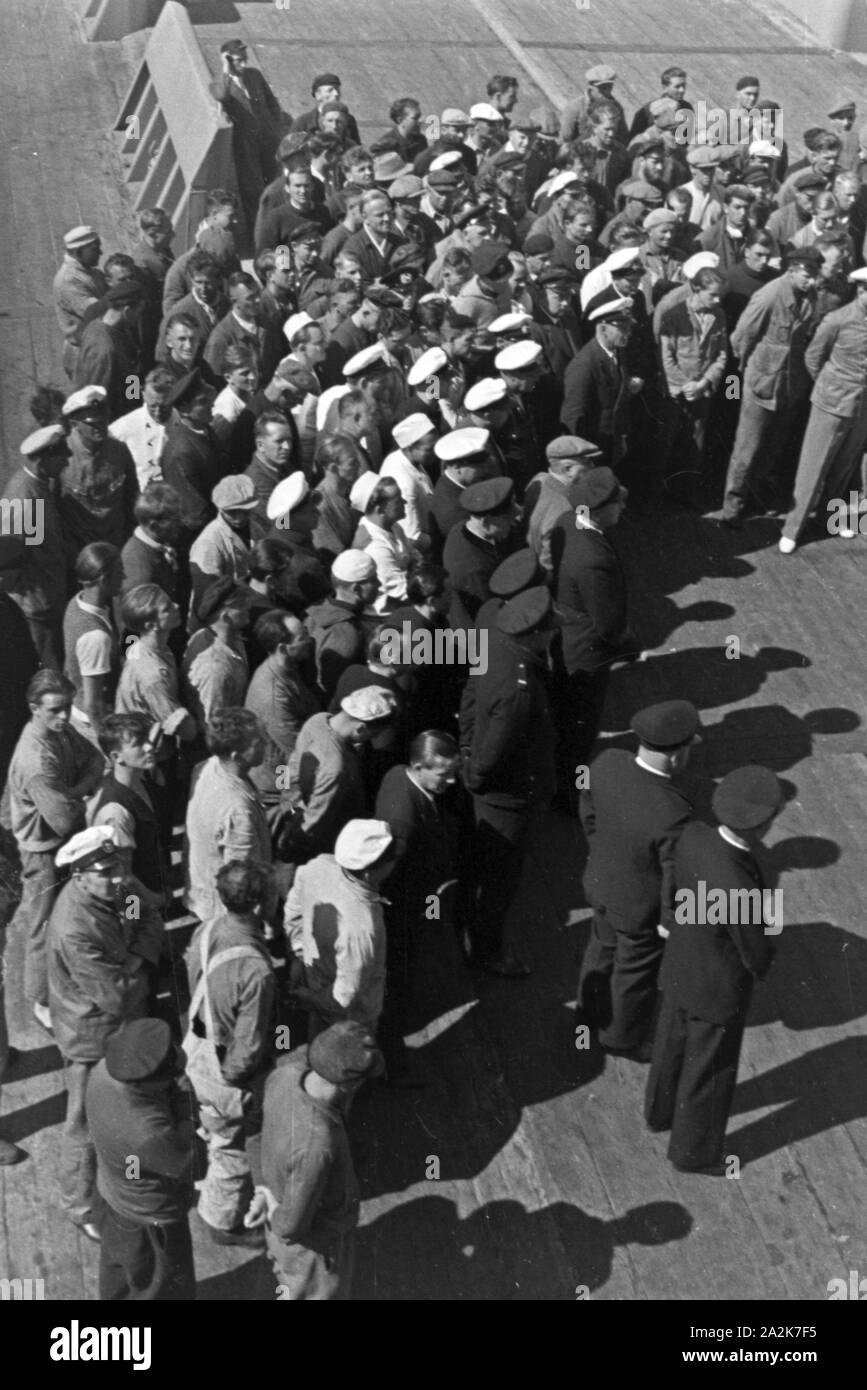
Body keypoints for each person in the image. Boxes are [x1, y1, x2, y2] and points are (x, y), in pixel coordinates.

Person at [645, 766, 782, 1175]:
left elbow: (671, 875)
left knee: (670, 1045)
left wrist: (670, 916)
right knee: (709, 1071)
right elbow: (755, 949)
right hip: (717, 988)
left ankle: (658, 1114)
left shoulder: (695, 835)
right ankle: (694, 1152)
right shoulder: (738, 883)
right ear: (763, 824)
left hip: (681, 965)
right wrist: (766, 955)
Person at [47, 825, 163, 1238]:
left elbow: (145, 916)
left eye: (117, 868)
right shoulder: (76, 928)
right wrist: (140, 968)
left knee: (120, 1114)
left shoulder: (115, 894)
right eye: (105, 872)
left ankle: (120, 1179)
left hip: (121, 1024)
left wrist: (135, 958)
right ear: (79, 876)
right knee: (84, 1123)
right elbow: (115, 996)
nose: (118, 879)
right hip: (92, 1038)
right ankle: (80, 1206)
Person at [577, 701, 699, 1060]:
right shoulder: (673, 811)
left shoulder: (608, 762)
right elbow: (674, 876)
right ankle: (620, 1039)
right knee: (635, 973)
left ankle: (587, 1016)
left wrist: (601, 850)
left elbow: (589, 811)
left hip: (599, 881)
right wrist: (667, 921)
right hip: (638, 908)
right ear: (676, 756)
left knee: (600, 949)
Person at [246, 1020, 384, 1300]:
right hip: (314, 1250)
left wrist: (262, 1189)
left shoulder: (285, 1075)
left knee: (287, 1281)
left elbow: (254, 1133)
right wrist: (273, 1206)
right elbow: (290, 1227)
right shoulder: (317, 1145)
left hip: (283, 1216)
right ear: (351, 1083)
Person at [459, 587, 558, 977]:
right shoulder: (519, 693)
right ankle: (487, 952)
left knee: (478, 865)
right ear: (536, 634)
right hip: (507, 800)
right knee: (500, 880)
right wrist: (475, 773)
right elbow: (494, 752)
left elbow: (470, 694)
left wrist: (466, 744)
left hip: (490, 791)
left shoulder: (496, 647)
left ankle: (465, 918)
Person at [184, 860, 277, 1247]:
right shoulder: (257, 971)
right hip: (224, 1073)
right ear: (258, 906)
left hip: (196, 1047)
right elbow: (248, 1044)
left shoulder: (209, 930)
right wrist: (241, 1088)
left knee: (211, 1131)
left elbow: (194, 977)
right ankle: (221, 1223)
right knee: (232, 1150)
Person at [8, 670, 105, 1032]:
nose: (65, 716)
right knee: (43, 925)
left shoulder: (59, 732)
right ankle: (40, 1000)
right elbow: (63, 819)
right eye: (55, 710)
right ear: (35, 708)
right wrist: (83, 792)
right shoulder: (35, 760)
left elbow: (94, 758)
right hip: (43, 851)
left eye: (67, 707)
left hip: (61, 839)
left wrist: (76, 790)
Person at [374, 731, 462, 1082]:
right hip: (405, 908)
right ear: (419, 766)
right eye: (444, 774)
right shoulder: (404, 821)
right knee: (400, 975)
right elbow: (395, 876)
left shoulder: (399, 776)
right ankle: (393, 1062)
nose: (452, 781)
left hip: (415, 897)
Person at [87, 1018, 197, 1299]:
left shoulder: (103, 1071)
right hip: (149, 1222)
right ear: (147, 1083)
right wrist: (187, 1110)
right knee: (159, 1285)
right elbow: (186, 1163)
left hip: (111, 1198)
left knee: (118, 1273)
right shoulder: (147, 1133)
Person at [713, 247, 822, 526]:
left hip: (790, 387)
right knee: (747, 451)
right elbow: (740, 338)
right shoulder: (771, 295)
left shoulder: (808, 296)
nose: (812, 280)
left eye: (814, 274)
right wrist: (752, 372)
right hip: (761, 384)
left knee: (772, 449)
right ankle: (732, 508)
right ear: (792, 268)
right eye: (807, 274)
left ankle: (757, 498)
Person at [550, 468, 639, 799]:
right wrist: (631, 646)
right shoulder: (593, 558)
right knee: (580, 729)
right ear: (600, 510)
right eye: (618, 503)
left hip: (567, 638)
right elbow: (608, 624)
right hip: (587, 652)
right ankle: (569, 796)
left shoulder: (565, 521)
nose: (623, 508)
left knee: (567, 721)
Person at [779, 266, 867, 553]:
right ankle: (793, 528)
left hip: (862, 406)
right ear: (861, 290)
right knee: (812, 468)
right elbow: (813, 357)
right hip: (831, 403)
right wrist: (830, 385)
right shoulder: (837, 320)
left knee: (845, 465)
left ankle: (831, 517)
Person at [284, 820, 395, 1037]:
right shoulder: (362, 927)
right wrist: (307, 999)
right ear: (369, 874)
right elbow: (343, 998)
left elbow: (293, 915)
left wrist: (298, 955)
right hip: (349, 1020)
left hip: (314, 982)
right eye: (390, 860)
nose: (394, 863)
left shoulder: (315, 867)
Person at [281, 688, 396, 863]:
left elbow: (288, 768)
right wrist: (295, 844)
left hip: (295, 810)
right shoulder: (335, 766)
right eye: (373, 735)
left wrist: (287, 806)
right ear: (361, 728)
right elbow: (316, 818)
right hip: (328, 837)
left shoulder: (317, 720)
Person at [183, 708, 273, 926]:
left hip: (202, 888)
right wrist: (265, 914)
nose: (265, 743)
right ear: (236, 755)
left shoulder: (205, 767)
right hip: (227, 912)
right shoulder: (238, 810)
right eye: (257, 742)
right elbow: (242, 877)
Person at [0, 422, 70, 669]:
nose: (67, 463)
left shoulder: (39, 486)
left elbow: (37, 542)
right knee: (43, 671)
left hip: (47, 599)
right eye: (62, 457)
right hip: (35, 607)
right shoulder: (23, 495)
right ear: (44, 459)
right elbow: (9, 557)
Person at [244, 609, 321, 821]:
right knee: (285, 817)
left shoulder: (287, 667)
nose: (309, 640)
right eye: (302, 637)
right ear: (283, 648)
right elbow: (293, 748)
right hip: (278, 777)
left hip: (285, 763)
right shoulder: (272, 695)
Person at [210, 39, 290, 237]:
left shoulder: (254, 75)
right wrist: (226, 69)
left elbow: (271, 102)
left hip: (268, 139)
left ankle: (278, 229)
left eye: (244, 59)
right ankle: (259, 234)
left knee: (276, 183)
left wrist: (276, 129)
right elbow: (220, 95)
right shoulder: (221, 82)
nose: (243, 64)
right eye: (238, 60)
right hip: (245, 144)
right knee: (252, 189)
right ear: (227, 59)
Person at [58, 386, 139, 574]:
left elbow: (131, 499)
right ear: (75, 423)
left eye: (104, 421)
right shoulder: (61, 458)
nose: (101, 428)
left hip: (114, 548)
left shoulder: (119, 451)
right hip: (77, 555)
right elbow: (47, 513)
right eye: (93, 424)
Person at [89, 712, 168, 904]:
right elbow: (124, 880)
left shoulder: (143, 776)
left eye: (147, 740)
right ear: (117, 757)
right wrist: (152, 904)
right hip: (139, 903)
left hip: (155, 886)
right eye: (138, 744)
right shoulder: (116, 813)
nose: (150, 747)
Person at [560, 290, 635, 468]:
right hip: (592, 449)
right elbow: (572, 417)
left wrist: (621, 437)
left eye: (629, 327)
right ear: (602, 329)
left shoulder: (617, 351)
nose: (628, 333)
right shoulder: (584, 365)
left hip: (612, 443)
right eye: (622, 328)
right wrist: (580, 457)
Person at [63, 541, 123, 741]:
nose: (124, 577)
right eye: (120, 572)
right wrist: (107, 744)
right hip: (93, 723)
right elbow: (93, 704)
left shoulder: (77, 602)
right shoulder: (95, 637)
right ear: (105, 579)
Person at [443, 476, 516, 629]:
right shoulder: (473, 568)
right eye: (507, 517)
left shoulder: (461, 527)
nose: (513, 521)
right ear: (486, 520)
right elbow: (488, 614)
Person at [306, 549, 380, 700]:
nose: (380, 584)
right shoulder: (347, 634)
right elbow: (338, 689)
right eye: (374, 580)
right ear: (356, 589)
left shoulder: (314, 612)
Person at [525, 435, 602, 576]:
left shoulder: (538, 480)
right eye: (588, 462)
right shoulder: (569, 509)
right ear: (568, 469)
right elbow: (550, 565)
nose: (593, 467)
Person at [182, 579, 251, 730]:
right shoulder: (215, 670)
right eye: (241, 605)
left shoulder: (228, 638)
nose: (248, 608)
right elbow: (213, 726)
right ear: (225, 617)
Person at [188, 476, 257, 622]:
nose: (239, 518)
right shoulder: (208, 543)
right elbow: (208, 598)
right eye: (231, 512)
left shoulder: (253, 525)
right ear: (220, 509)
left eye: (244, 511)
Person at [74, 280, 144, 419]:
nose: (139, 318)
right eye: (139, 312)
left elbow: (132, 373)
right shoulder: (105, 350)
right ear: (127, 311)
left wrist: (136, 400)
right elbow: (96, 400)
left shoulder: (100, 326)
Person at [53, 226, 107, 377]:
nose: (101, 253)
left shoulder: (90, 272)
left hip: (96, 346)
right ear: (78, 252)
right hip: (83, 355)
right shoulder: (68, 281)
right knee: (90, 397)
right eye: (95, 249)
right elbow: (98, 312)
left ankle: (132, 396)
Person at [109, 367, 174, 491]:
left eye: (164, 407)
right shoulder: (125, 425)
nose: (158, 413)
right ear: (143, 395)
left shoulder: (181, 420)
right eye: (153, 406)